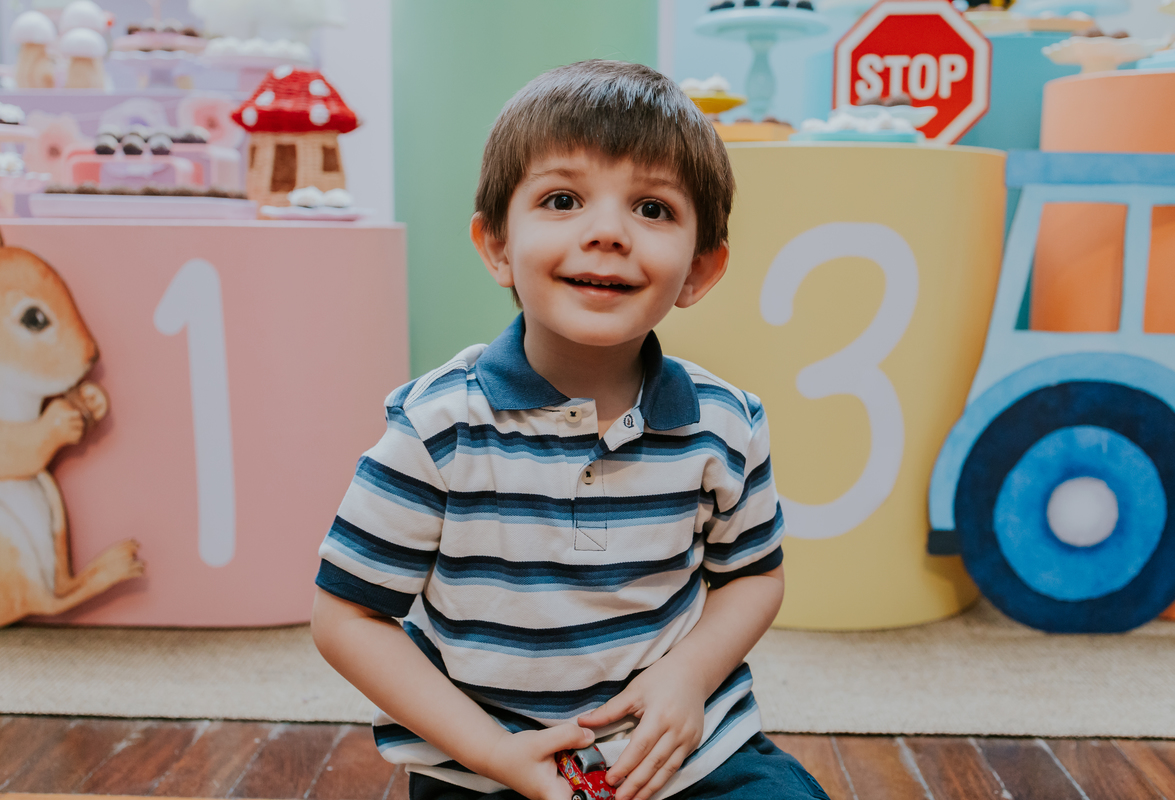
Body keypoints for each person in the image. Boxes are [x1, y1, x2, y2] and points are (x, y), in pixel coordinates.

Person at [310, 59, 829, 800]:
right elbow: (347, 616)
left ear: (699, 270)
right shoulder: (436, 429)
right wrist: (494, 752)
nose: (608, 232)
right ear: (497, 246)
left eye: (652, 209)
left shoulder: (726, 424)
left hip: (679, 754)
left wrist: (687, 678)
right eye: (563, 199)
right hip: (488, 766)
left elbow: (753, 577)